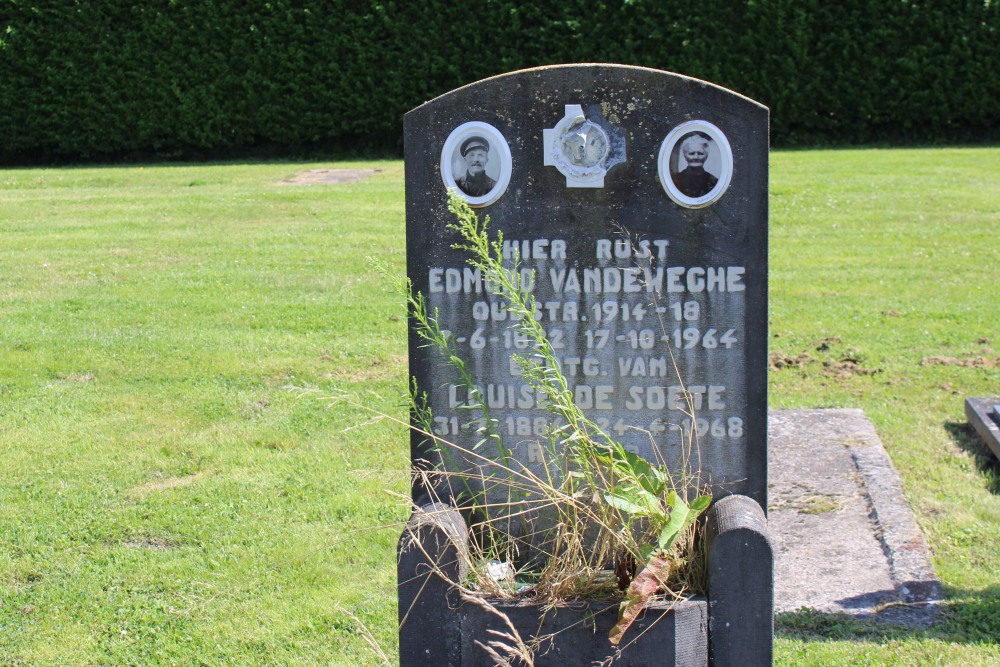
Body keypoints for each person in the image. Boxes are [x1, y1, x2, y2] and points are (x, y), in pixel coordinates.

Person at [672, 132, 718, 198]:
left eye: (700, 153)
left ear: (706, 156)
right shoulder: (676, 180)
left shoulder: (713, 181)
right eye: (691, 153)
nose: (696, 157)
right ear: (685, 155)